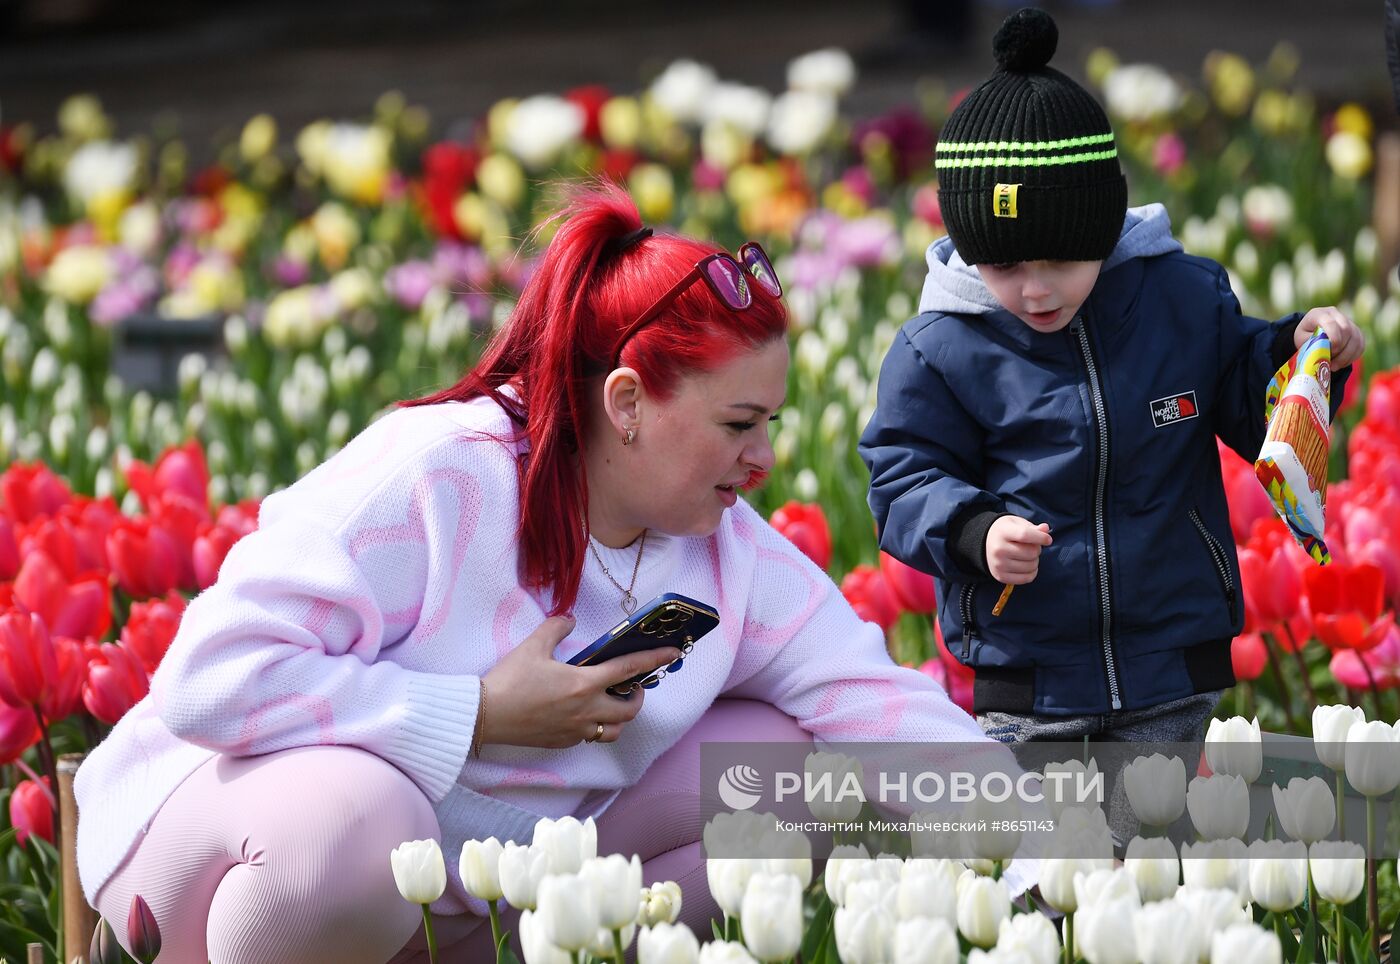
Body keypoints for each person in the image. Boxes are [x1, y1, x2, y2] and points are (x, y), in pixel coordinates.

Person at [74, 183, 1004, 964]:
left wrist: (1069, 844)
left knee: (779, 769)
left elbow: (878, 704)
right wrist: (478, 712)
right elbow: (210, 680)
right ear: (628, 402)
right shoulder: (438, 477)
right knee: (358, 829)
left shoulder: (730, 553)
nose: (762, 458)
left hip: (473, 893)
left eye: (771, 423)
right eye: (737, 424)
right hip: (231, 851)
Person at [860, 8, 1365, 746]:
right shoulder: (942, 349)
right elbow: (902, 478)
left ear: (1105, 225)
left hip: (1171, 661)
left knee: (1155, 851)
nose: (1036, 291)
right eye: (1004, 267)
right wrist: (975, 530)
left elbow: (1253, 406)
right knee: (1055, 860)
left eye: (1062, 262)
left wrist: (1304, 354)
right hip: (1029, 671)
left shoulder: (1182, 302)